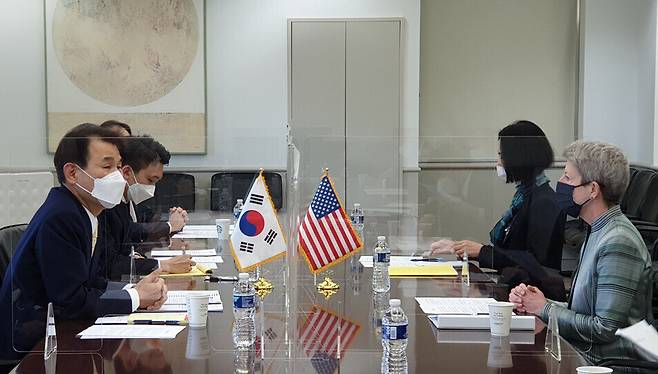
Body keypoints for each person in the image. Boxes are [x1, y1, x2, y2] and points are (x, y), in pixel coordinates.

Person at [0, 124, 167, 361]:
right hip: (32, 345)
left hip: (56, 332)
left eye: (119, 167)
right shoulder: (62, 216)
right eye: (107, 166)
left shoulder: (86, 211)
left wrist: (134, 290)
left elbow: (93, 279)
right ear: (72, 173)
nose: (118, 176)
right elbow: (71, 302)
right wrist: (137, 298)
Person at [509, 141, 654, 365]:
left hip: (612, 363)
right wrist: (538, 303)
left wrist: (544, 308)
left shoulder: (618, 241)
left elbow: (604, 328)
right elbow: (584, 312)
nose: (560, 184)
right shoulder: (598, 230)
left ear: (593, 190)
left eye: (568, 177)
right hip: (589, 355)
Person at [431, 121, 565, 294]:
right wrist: (464, 248)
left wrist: (482, 252)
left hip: (530, 295)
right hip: (514, 288)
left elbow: (533, 261)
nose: (498, 162)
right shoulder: (524, 196)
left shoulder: (543, 201)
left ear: (519, 157)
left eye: (502, 156)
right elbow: (512, 253)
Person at [101, 135, 193, 280]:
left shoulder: (129, 199)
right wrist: (163, 265)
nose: (152, 187)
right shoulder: (108, 205)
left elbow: (132, 243)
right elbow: (109, 264)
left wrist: (169, 233)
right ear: (126, 173)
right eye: (150, 180)